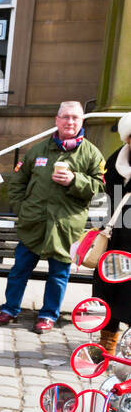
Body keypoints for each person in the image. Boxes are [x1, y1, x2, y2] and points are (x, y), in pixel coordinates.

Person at [0, 100, 105, 333]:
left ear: (82, 121)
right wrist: (24, 209)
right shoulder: (38, 150)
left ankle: (47, 315)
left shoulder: (92, 154)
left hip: (66, 227)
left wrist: (75, 181)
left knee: (58, 275)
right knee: (19, 270)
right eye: (65, 117)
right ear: (57, 120)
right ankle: (9, 309)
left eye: (75, 117)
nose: (70, 122)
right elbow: (17, 183)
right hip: (34, 224)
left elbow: (100, 189)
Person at [91, 112, 131, 356]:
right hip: (113, 240)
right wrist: (97, 225)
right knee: (107, 294)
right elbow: (100, 195)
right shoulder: (115, 160)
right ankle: (106, 345)